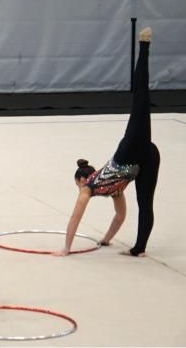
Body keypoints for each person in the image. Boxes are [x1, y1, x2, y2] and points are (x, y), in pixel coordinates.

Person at [54, 27, 160, 257]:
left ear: (82, 178)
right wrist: (105, 240)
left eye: (77, 184)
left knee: (140, 103)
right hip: (147, 159)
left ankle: (144, 46)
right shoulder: (115, 191)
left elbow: (75, 217)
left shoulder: (88, 188)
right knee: (145, 204)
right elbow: (119, 217)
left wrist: (66, 249)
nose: (78, 189)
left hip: (130, 152)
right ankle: (139, 249)